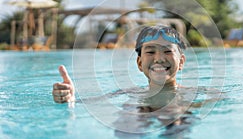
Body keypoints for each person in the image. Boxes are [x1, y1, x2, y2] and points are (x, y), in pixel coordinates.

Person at [52, 24, 187, 105]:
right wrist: (71, 98)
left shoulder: (190, 95)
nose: (159, 58)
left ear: (181, 62)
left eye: (167, 51)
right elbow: (88, 103)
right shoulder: (129, 93)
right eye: (151, 51)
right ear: (140, 63)